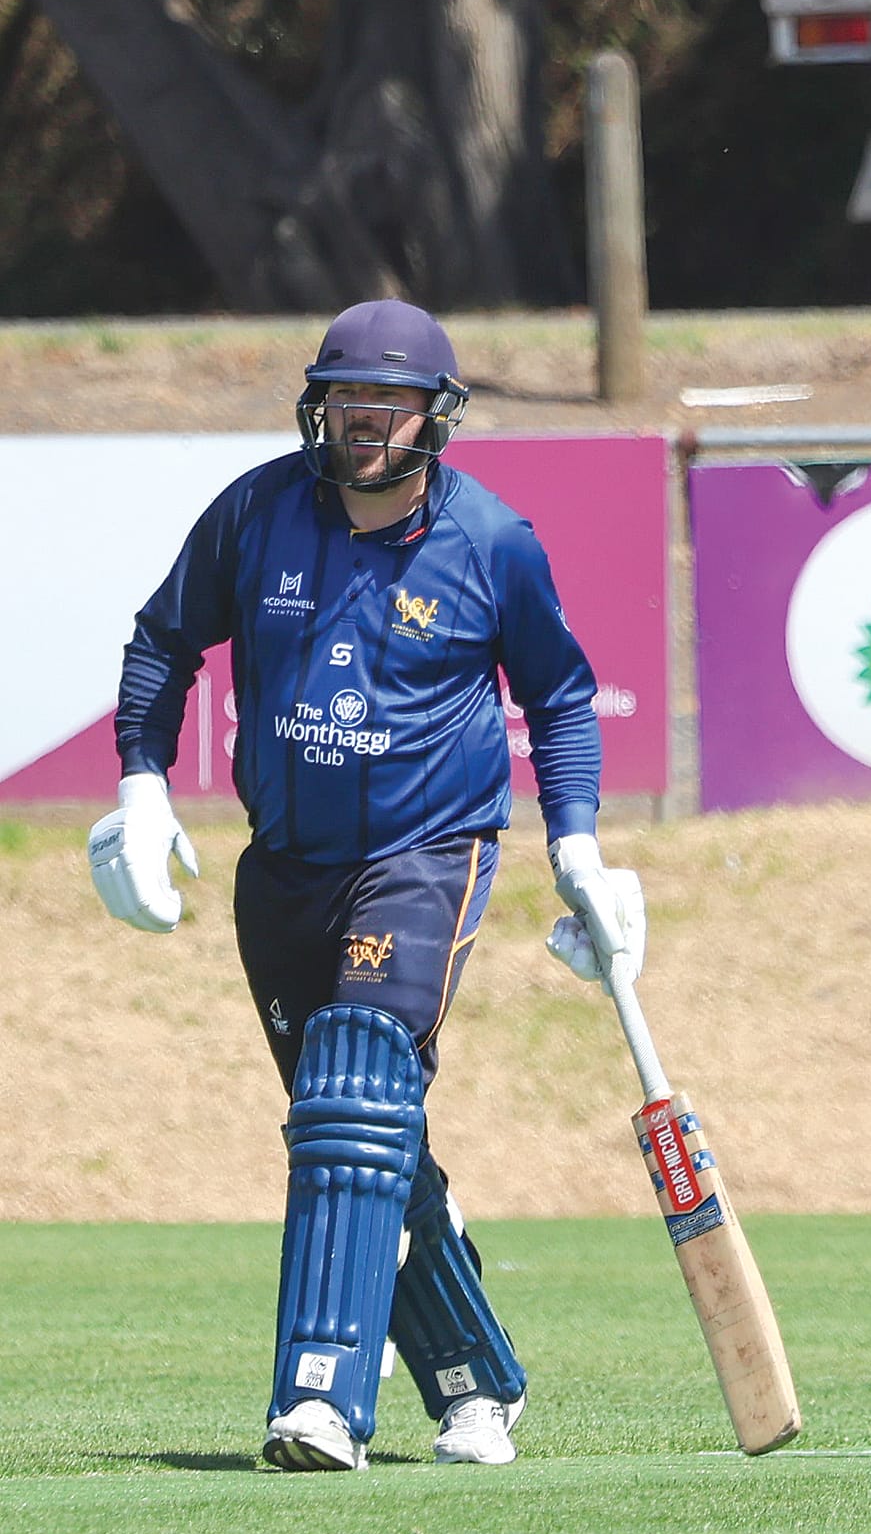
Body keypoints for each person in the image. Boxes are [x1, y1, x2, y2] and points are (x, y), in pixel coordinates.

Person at [86, 298, 644, 1473]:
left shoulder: (492, 542)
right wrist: (142, 783)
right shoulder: (257, 510)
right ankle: (477, 1379)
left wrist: (578, 848)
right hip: (281, 869)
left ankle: (320, 1401)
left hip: (427, 854)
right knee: (365, 1137)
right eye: (345, 401)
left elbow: (560, 699)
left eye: (386, 405)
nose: (362, 424)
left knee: (351, 1099)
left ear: (434, 418)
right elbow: (163, 641)